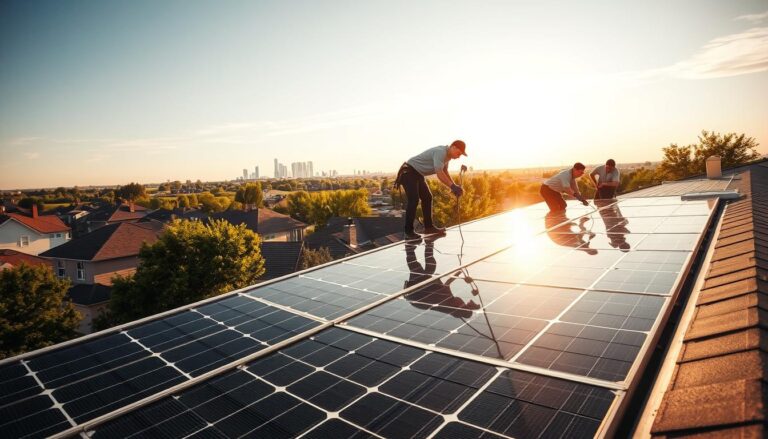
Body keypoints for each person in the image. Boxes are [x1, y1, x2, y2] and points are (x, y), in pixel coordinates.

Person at [395, 140, 466, 239]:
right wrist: (453, 187)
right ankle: (408, 231)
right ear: (453, 147)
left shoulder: (447, 157)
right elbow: (439, 173)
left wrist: (454, 186)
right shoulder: (441, 152)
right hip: (409, 172)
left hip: (417, 174)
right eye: (459, 153)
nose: (459, 156)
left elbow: (445, 171)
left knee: (427, 197)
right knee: (414, 200)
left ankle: (429, 227)